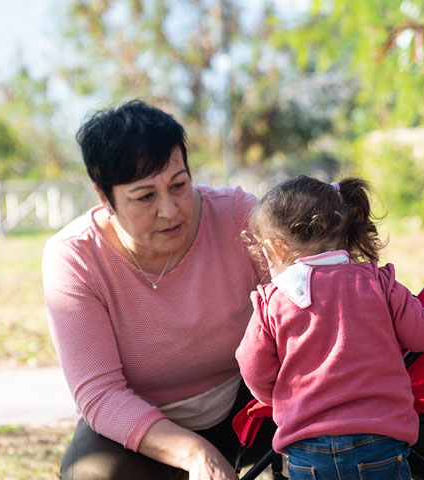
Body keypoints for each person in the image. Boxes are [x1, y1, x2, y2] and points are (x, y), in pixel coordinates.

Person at [43, 99, 271, 480]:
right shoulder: (75, 259)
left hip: (250, 403)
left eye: (179, 185)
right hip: (144, 427)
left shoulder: (237, 215)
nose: (170, 210)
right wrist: (195, 453)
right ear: (105, 197)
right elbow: (100, 395)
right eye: (145, 196)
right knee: (92, 474)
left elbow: (301, 314)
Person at [235, 175, 424, 479]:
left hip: (306, 445)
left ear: (276, 249)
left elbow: (251, 366)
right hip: (376, 439)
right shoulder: (375, 282)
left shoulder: (272, 301)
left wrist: (278, 399)